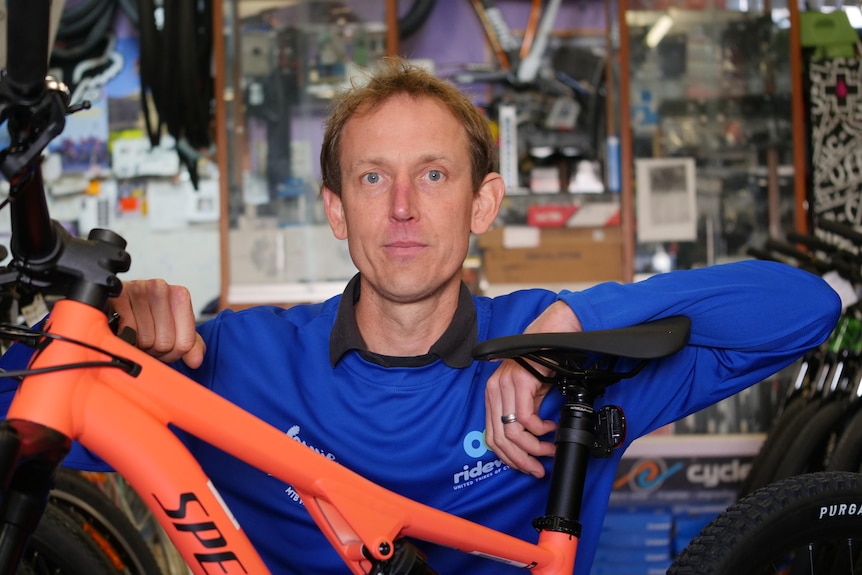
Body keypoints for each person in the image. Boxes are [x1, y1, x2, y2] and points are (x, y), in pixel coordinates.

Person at [0, 57, 841, 575]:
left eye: (433, 175)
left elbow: (804, 308)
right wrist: (115, 338)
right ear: (337, 209)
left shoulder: (565, 354)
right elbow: (29, 399)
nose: (402, 208)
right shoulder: (230, 359)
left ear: (483, 203)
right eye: (373, 179)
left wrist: (557, 326)